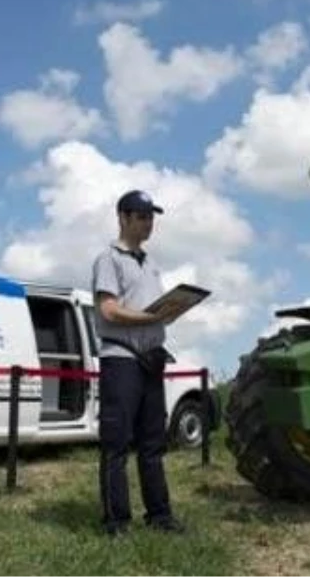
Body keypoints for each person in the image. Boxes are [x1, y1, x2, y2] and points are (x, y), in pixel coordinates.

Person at [92, 190, 188, 536]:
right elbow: (109, 310)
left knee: (153, 443)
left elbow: (152, 314)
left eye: (152, 217)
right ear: (124, 217)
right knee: (116, 444)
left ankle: (160, 516)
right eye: (143, 216)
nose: (150, 223)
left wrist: (170, 311)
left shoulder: (151, 263)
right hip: (121, 359)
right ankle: (116, 522)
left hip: (151, 360)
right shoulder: (109, 258)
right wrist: (149, 316)